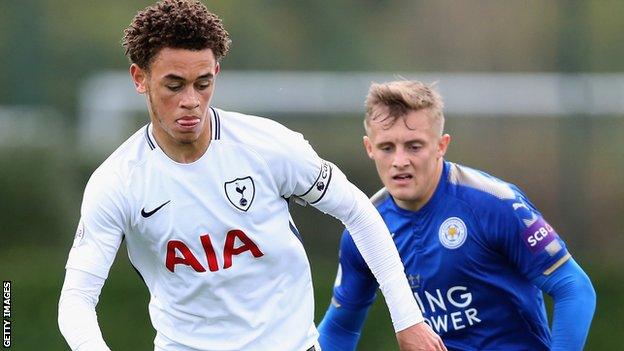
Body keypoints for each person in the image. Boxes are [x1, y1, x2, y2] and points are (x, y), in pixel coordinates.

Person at [57, 2, 446, 351]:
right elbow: (76, 298)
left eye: (203, 83)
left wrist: (407, 318)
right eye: (173, 85)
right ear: (140, 78)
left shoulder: (269, 147)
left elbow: (358, 211)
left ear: (216, 74)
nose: (191, 100)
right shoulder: (118, 181)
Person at [318, 80, 596, 351]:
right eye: (387, 147)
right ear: (369, 148)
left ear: (441, 145)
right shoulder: (365, 228)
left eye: (414, 146)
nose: (400, 161)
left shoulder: (494, 204)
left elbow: (574, 287)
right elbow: (341, 327)